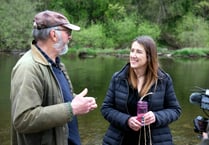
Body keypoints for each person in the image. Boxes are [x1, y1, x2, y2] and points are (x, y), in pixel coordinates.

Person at [10, 10, 97, 145]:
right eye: (68, 32)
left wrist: (75, 100)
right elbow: (23, 119)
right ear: (53, 35)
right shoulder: (28, 68)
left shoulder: (56, 63)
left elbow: (53, 96)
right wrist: (71, 108)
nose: (70, 37)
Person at [101, 35, 181, 145]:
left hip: (155, 140)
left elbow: (175, 110)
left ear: (149, 56)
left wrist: (156, 117)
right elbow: (106, 109)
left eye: (138, 52)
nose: (133, 55)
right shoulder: (118, 78)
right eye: (132, 50)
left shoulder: (163, 80)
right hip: (120, 140)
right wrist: (127, 120)